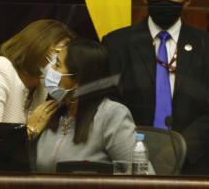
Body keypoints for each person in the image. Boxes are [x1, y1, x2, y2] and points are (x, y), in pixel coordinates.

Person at [102, 0, 209, 175]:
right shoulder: (117, 43)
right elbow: (109, 102)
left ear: (187, 0)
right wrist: (133, 148)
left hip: (190, 164)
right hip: (129, 160)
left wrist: (176, 152)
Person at [30, 38, 143, 173]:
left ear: (77, 80)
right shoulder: (51, 111)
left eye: (57, 65)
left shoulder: (112, 114)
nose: (50, 69)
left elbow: (139, 174)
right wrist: (29, 134)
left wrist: (104, 178)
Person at [0, 19, 76, 123]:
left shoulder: (41, 87)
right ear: (37, 45)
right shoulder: (0, 68)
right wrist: (31, 131)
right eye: (57, 52)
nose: (59, 59)